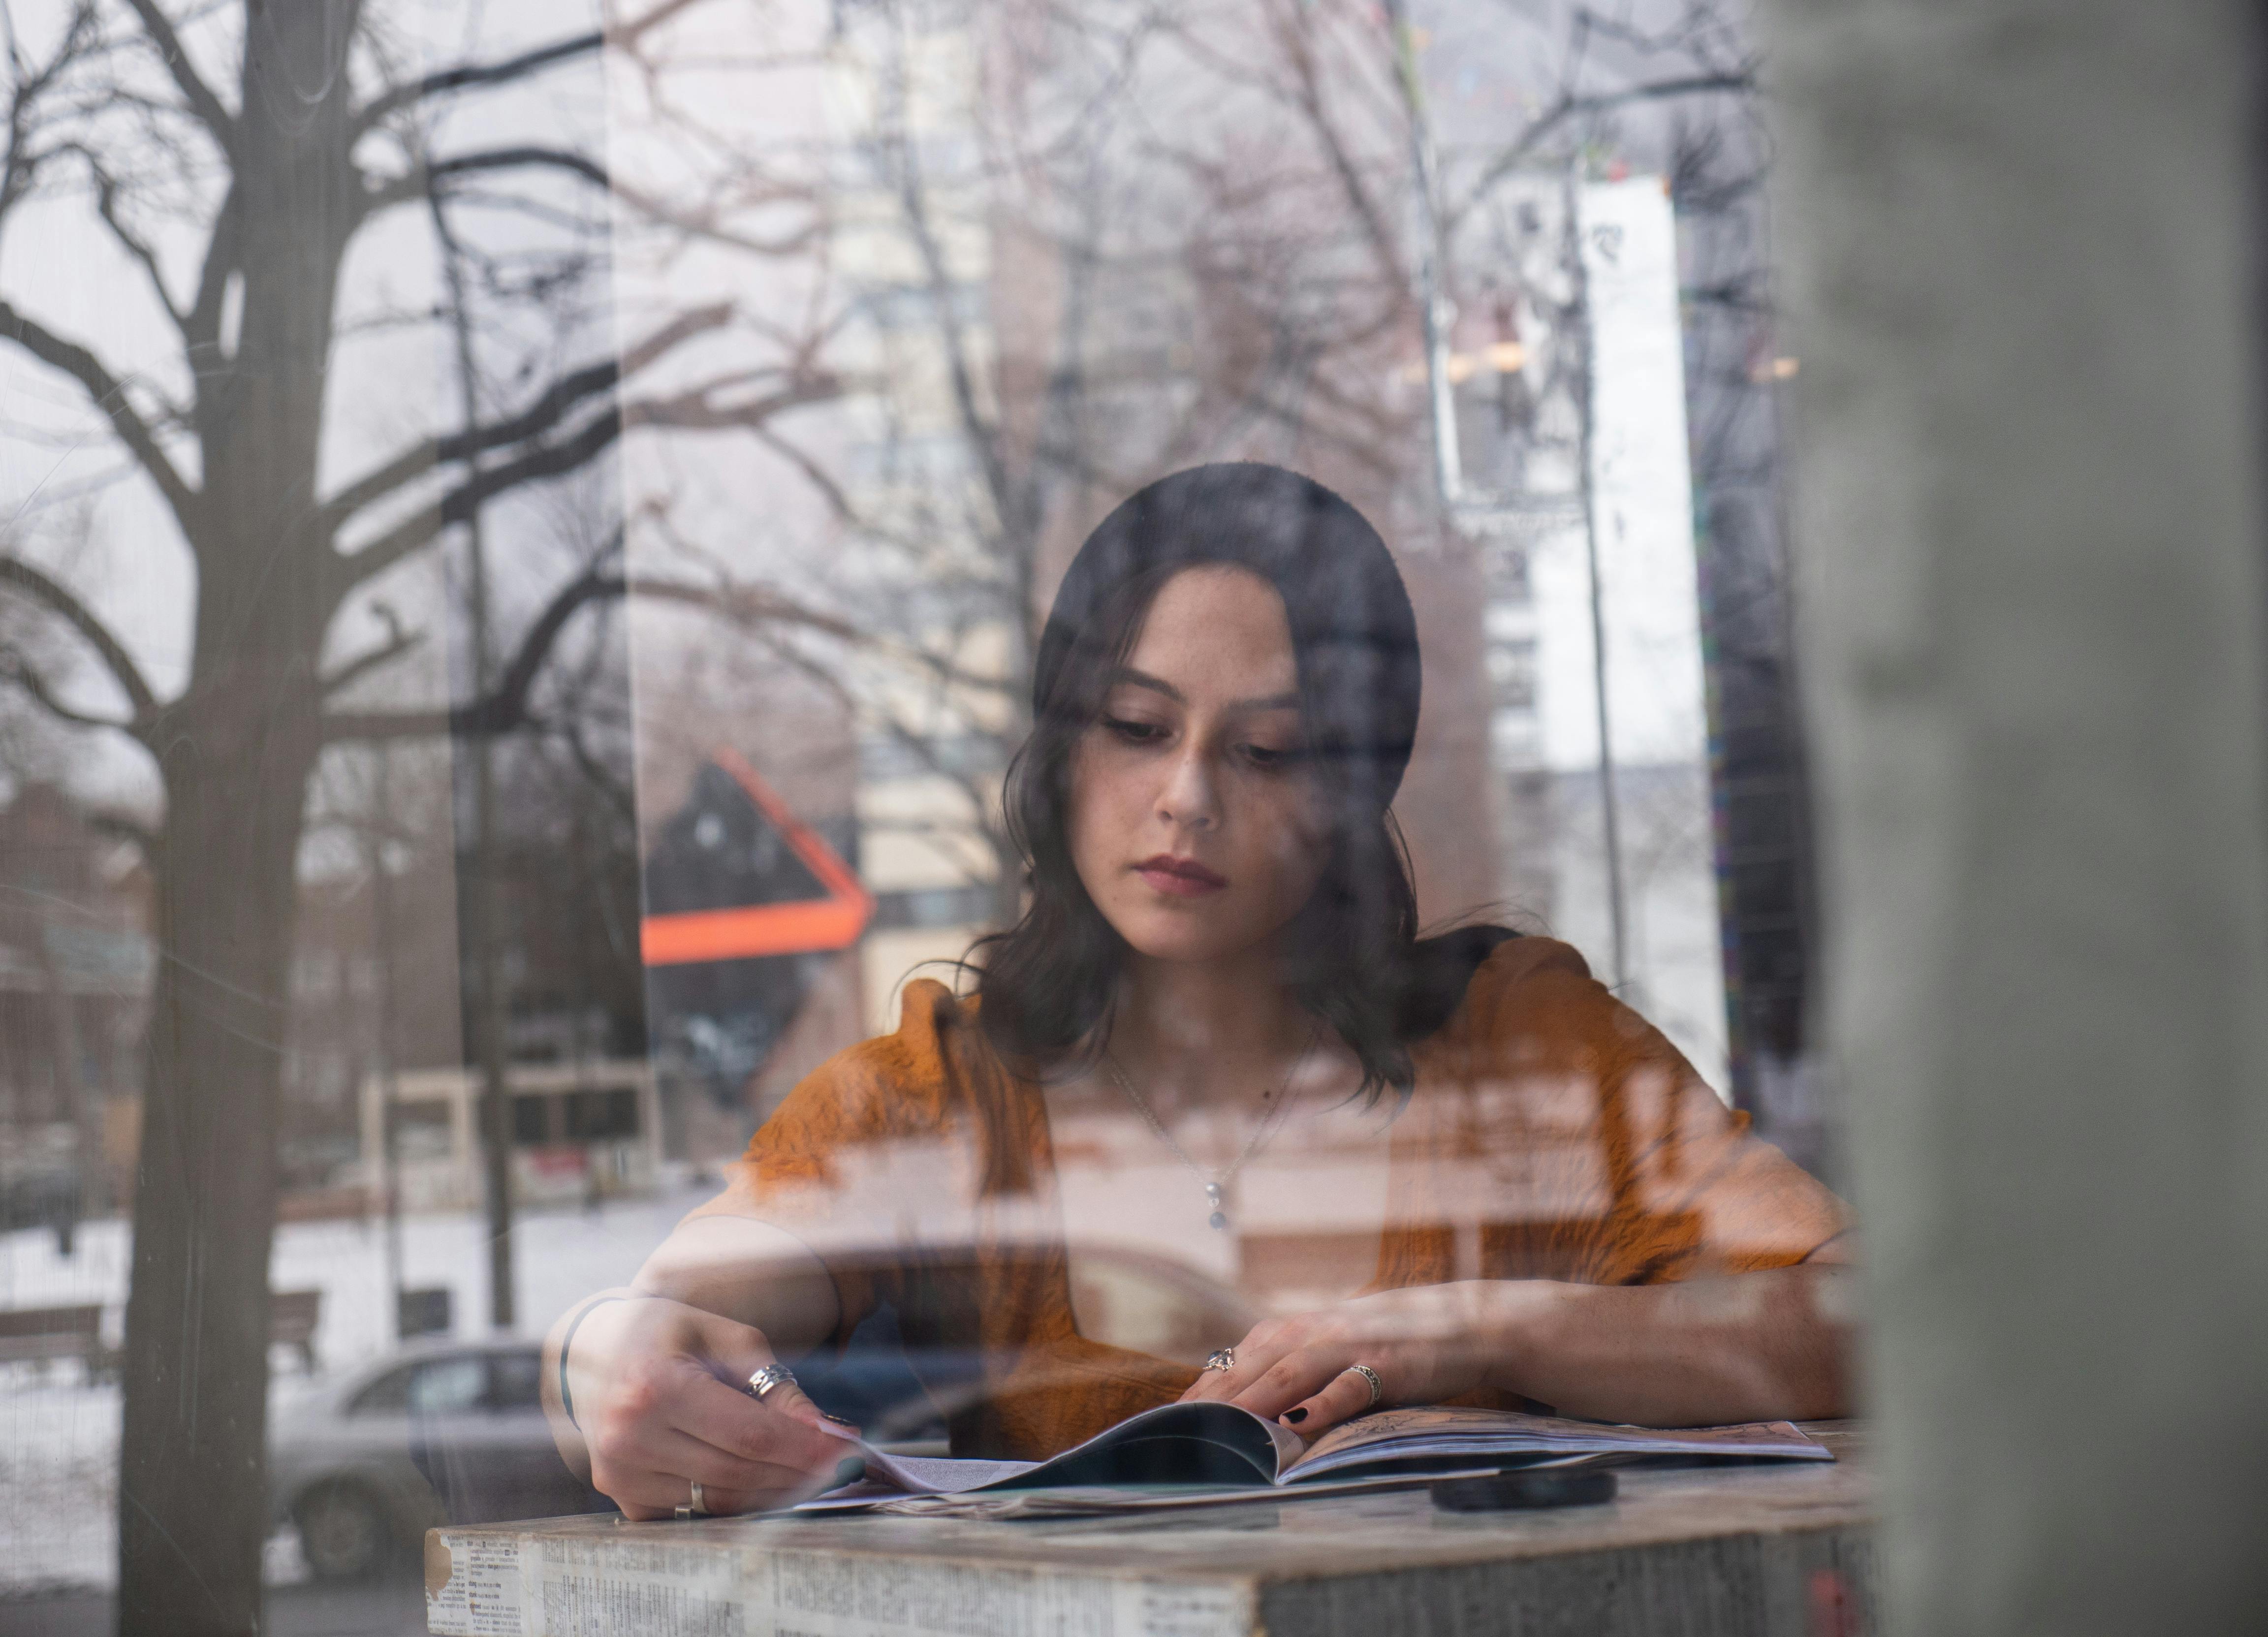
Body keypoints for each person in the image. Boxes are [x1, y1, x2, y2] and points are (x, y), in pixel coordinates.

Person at [543, 463, 1853, 1519]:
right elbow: (669, 1313)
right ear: (1063, 752)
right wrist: (604, 1355)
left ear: (1351, 796)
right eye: (1136, 727)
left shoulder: (1528, 1048)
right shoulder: (944, 1091)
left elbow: (1867, 1315)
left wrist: (1488, 1327)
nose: (1187, 798)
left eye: (1268, 750)